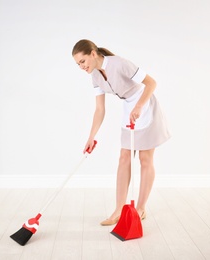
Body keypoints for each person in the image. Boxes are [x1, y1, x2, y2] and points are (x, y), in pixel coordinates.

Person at [72, 39, 171, 226]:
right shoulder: (95, 76)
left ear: (93, 54)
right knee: (124, 158)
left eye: (82, 61)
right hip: (129, 109)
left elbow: (151, 83)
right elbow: (100, 109)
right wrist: (91, 137)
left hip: (145, 105)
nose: (81, 66)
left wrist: (140, 106)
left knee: (145, 159)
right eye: (78, 64)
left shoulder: (119, 63)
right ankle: (118, 210)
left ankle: (140, 209)